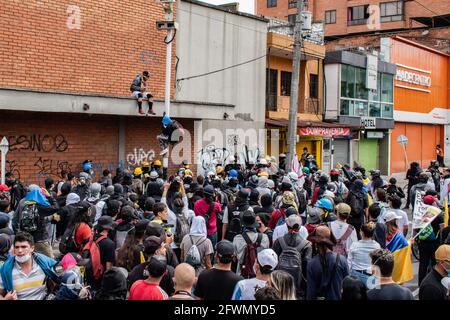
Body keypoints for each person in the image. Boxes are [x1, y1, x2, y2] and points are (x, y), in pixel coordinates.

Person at [0, 231, 60, 300]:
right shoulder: (6, 269)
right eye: (17, 247)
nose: (19, 250)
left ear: (32, 248)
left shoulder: (44, 264)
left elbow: (59, 281)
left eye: (23, 247)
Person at [272, 214, 312, 299]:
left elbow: (273, 262)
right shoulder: (306, 245)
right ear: (300, 227)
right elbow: (306, 267)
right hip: (297, 287)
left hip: (279, 284)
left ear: (286, 226)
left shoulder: (279, 241)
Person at [14, 187, 59, 258]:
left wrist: (17, 233)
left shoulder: (24, 204)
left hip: (28, 239)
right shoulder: (40, 207)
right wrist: (49, 197)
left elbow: (15, 220)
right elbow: (56, 207)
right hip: (41, 240)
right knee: (50, 262)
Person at [306, 226, 349, 300]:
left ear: (315, 243)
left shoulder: (311, 264)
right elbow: (347, 286)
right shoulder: (342, 260)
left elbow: (311, 292)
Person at [416, 194, 445, 285]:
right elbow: (442, 230)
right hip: (434, 242)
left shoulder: (420, 212)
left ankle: (421, 283)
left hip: (422, 242)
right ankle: (434, 282)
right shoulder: (438, 214)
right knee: (435, 263)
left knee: (423, 263)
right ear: (433, 203)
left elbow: (416, 228)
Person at [83, 216, 117, 291]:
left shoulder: (90, 238)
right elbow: (109, 268)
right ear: (108, 228)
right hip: (99, 281)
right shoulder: (109, 244)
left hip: (87, 276)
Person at [233, 210, 270, 276]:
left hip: (242, 273)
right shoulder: (264, 237)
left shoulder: (237, 238)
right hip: (259, 273)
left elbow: (234, 258)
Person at [348, 222, 381, 287]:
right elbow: (377, 264)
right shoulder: (377, 246)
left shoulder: (354, 245)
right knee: (371, 296)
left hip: (355, 276)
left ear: (361, 232)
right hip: (371, 276)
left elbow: (349, 262)